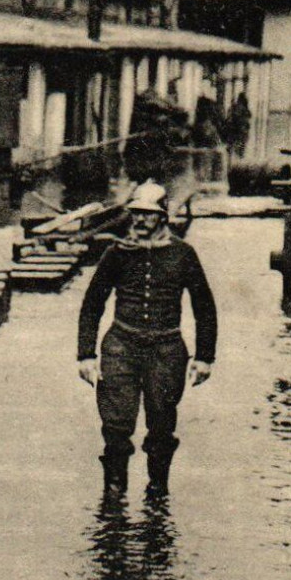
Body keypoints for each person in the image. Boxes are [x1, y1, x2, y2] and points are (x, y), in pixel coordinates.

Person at [77, 181, 218, 500]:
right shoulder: (116, 253)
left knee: (162, 423)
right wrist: (85, 354)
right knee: (116, 423)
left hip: (166, 350)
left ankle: (158, 489)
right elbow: (92, 303)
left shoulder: (183, 254)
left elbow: (204, 306)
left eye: (148, 215)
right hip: (121, 347)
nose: (140, 221)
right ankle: (114, 490)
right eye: (136, 214)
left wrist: (204, 357)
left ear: (163, 217)